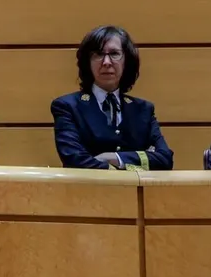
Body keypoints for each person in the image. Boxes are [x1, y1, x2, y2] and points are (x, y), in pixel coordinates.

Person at [50, 25, 173, 171]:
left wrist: (115, 158)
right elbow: (75, 160)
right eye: (98, 54)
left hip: (136, 193)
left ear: (127, 61)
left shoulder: (143, 110)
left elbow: (165, 159)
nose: (106, 62)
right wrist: (133, 165)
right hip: (88, 192)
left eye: (114, 54)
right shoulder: (68, 107)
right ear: (87, 62)